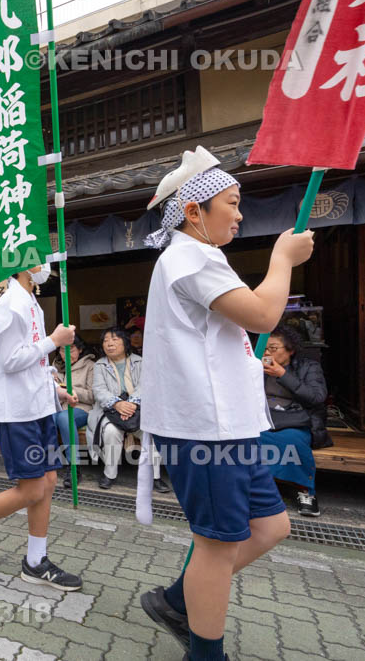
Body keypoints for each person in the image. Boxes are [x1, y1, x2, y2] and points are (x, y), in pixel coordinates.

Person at [136, 146, 314, 661]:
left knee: (270, 526)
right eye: (232, 203)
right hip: (206, 429)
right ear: (194, 211)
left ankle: (176, 600)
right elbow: (261, 316)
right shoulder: (188, 257)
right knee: (216, 546)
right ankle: (205, 651)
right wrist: (281, 259)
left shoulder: (200, 256)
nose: (239, 214)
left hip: (228, 424)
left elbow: (221, 337)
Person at [0, 263, 83, 591]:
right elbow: (11, 360)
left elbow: (33, 365)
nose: (46, 267)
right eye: (41, 259)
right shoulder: (10, 304)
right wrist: (54, 340)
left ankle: (36, 561)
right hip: (16, 412)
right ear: (25, 264)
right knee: (34, 487)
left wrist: (56, 390)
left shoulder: (30, 301)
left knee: (48, 481)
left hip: (38, 407)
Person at [258, 325, 331, 517]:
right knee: (247, 439)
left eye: (273, 348)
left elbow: (316, 397)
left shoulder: (309, 367)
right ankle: (257, 488)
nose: (267, 353)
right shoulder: (256, 367)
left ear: (290, 350)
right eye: (264, 348)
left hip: (296, 418)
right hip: (264, 417)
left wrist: (282, 374)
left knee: (292, 441)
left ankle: (305, 491)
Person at [88, 327, 167, 492]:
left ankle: (155, 476)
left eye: (115, 339)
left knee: (149, 433)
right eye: (106, 341)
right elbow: (99, 390)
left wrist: (131, 405)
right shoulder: (99, 365)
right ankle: (109, 474)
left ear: (125, 342)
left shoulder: (140, 362)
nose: (109, 344)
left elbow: (145, 386)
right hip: (110, 411)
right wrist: (117, 404)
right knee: (110, 432)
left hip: (138, 410)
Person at [52, 335, 97, 487]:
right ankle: (49, 461)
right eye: (62, 350)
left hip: (81, 408)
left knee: (65, 418)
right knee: (48, 418)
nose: (66, 354)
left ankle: (74, 466)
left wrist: (69, 390)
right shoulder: (55, 366)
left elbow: (92, 396)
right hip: (58, 407)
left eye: (70, 349)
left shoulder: (90, 366)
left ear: (80, 349)